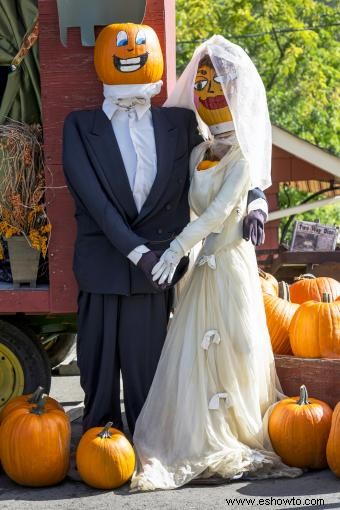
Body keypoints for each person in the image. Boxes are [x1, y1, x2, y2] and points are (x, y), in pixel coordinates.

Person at [63, 24, 268, 435]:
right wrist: (141, 254)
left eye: (139, 43)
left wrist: (256, 202)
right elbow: (97, 205)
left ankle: (147, 441)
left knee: (149, 379)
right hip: (109, 266)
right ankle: (96, 442)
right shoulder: (80, 127)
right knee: (98, 374)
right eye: (121, 44)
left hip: (156, 276)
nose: (132, 50)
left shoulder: (179, 124)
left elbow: (229, 163)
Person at [131, 35, 302, 490]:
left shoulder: (243, 157)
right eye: (201, 82)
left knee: (238, 351)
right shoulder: (196, 155)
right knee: (190, 360)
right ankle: (195, 438)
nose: (207, 91)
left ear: (238, 94)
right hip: (200, 272)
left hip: (229, 267)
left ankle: (239, 433)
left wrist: (174, 250)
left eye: (218, 83)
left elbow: (218, 213)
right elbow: (184, 208)